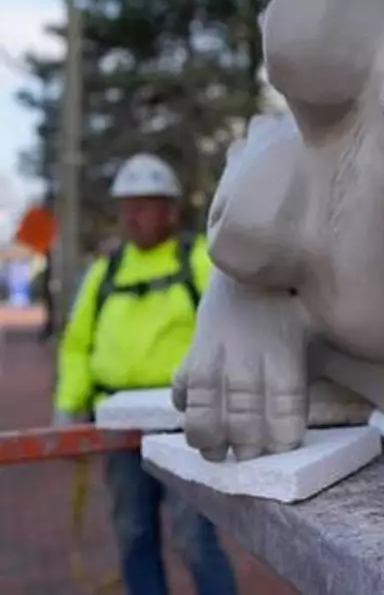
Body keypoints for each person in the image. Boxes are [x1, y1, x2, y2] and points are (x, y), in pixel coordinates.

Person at [53, 153, 238, 595]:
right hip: (118, 428)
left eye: (145, 205)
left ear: (170, 210)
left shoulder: (199, 262)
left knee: (194, 538)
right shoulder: (106, 271)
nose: (132, 216)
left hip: (183, 426)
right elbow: (78, 344)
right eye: (126, 206)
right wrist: (67, 407)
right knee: (133, 533)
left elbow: (232, 331)